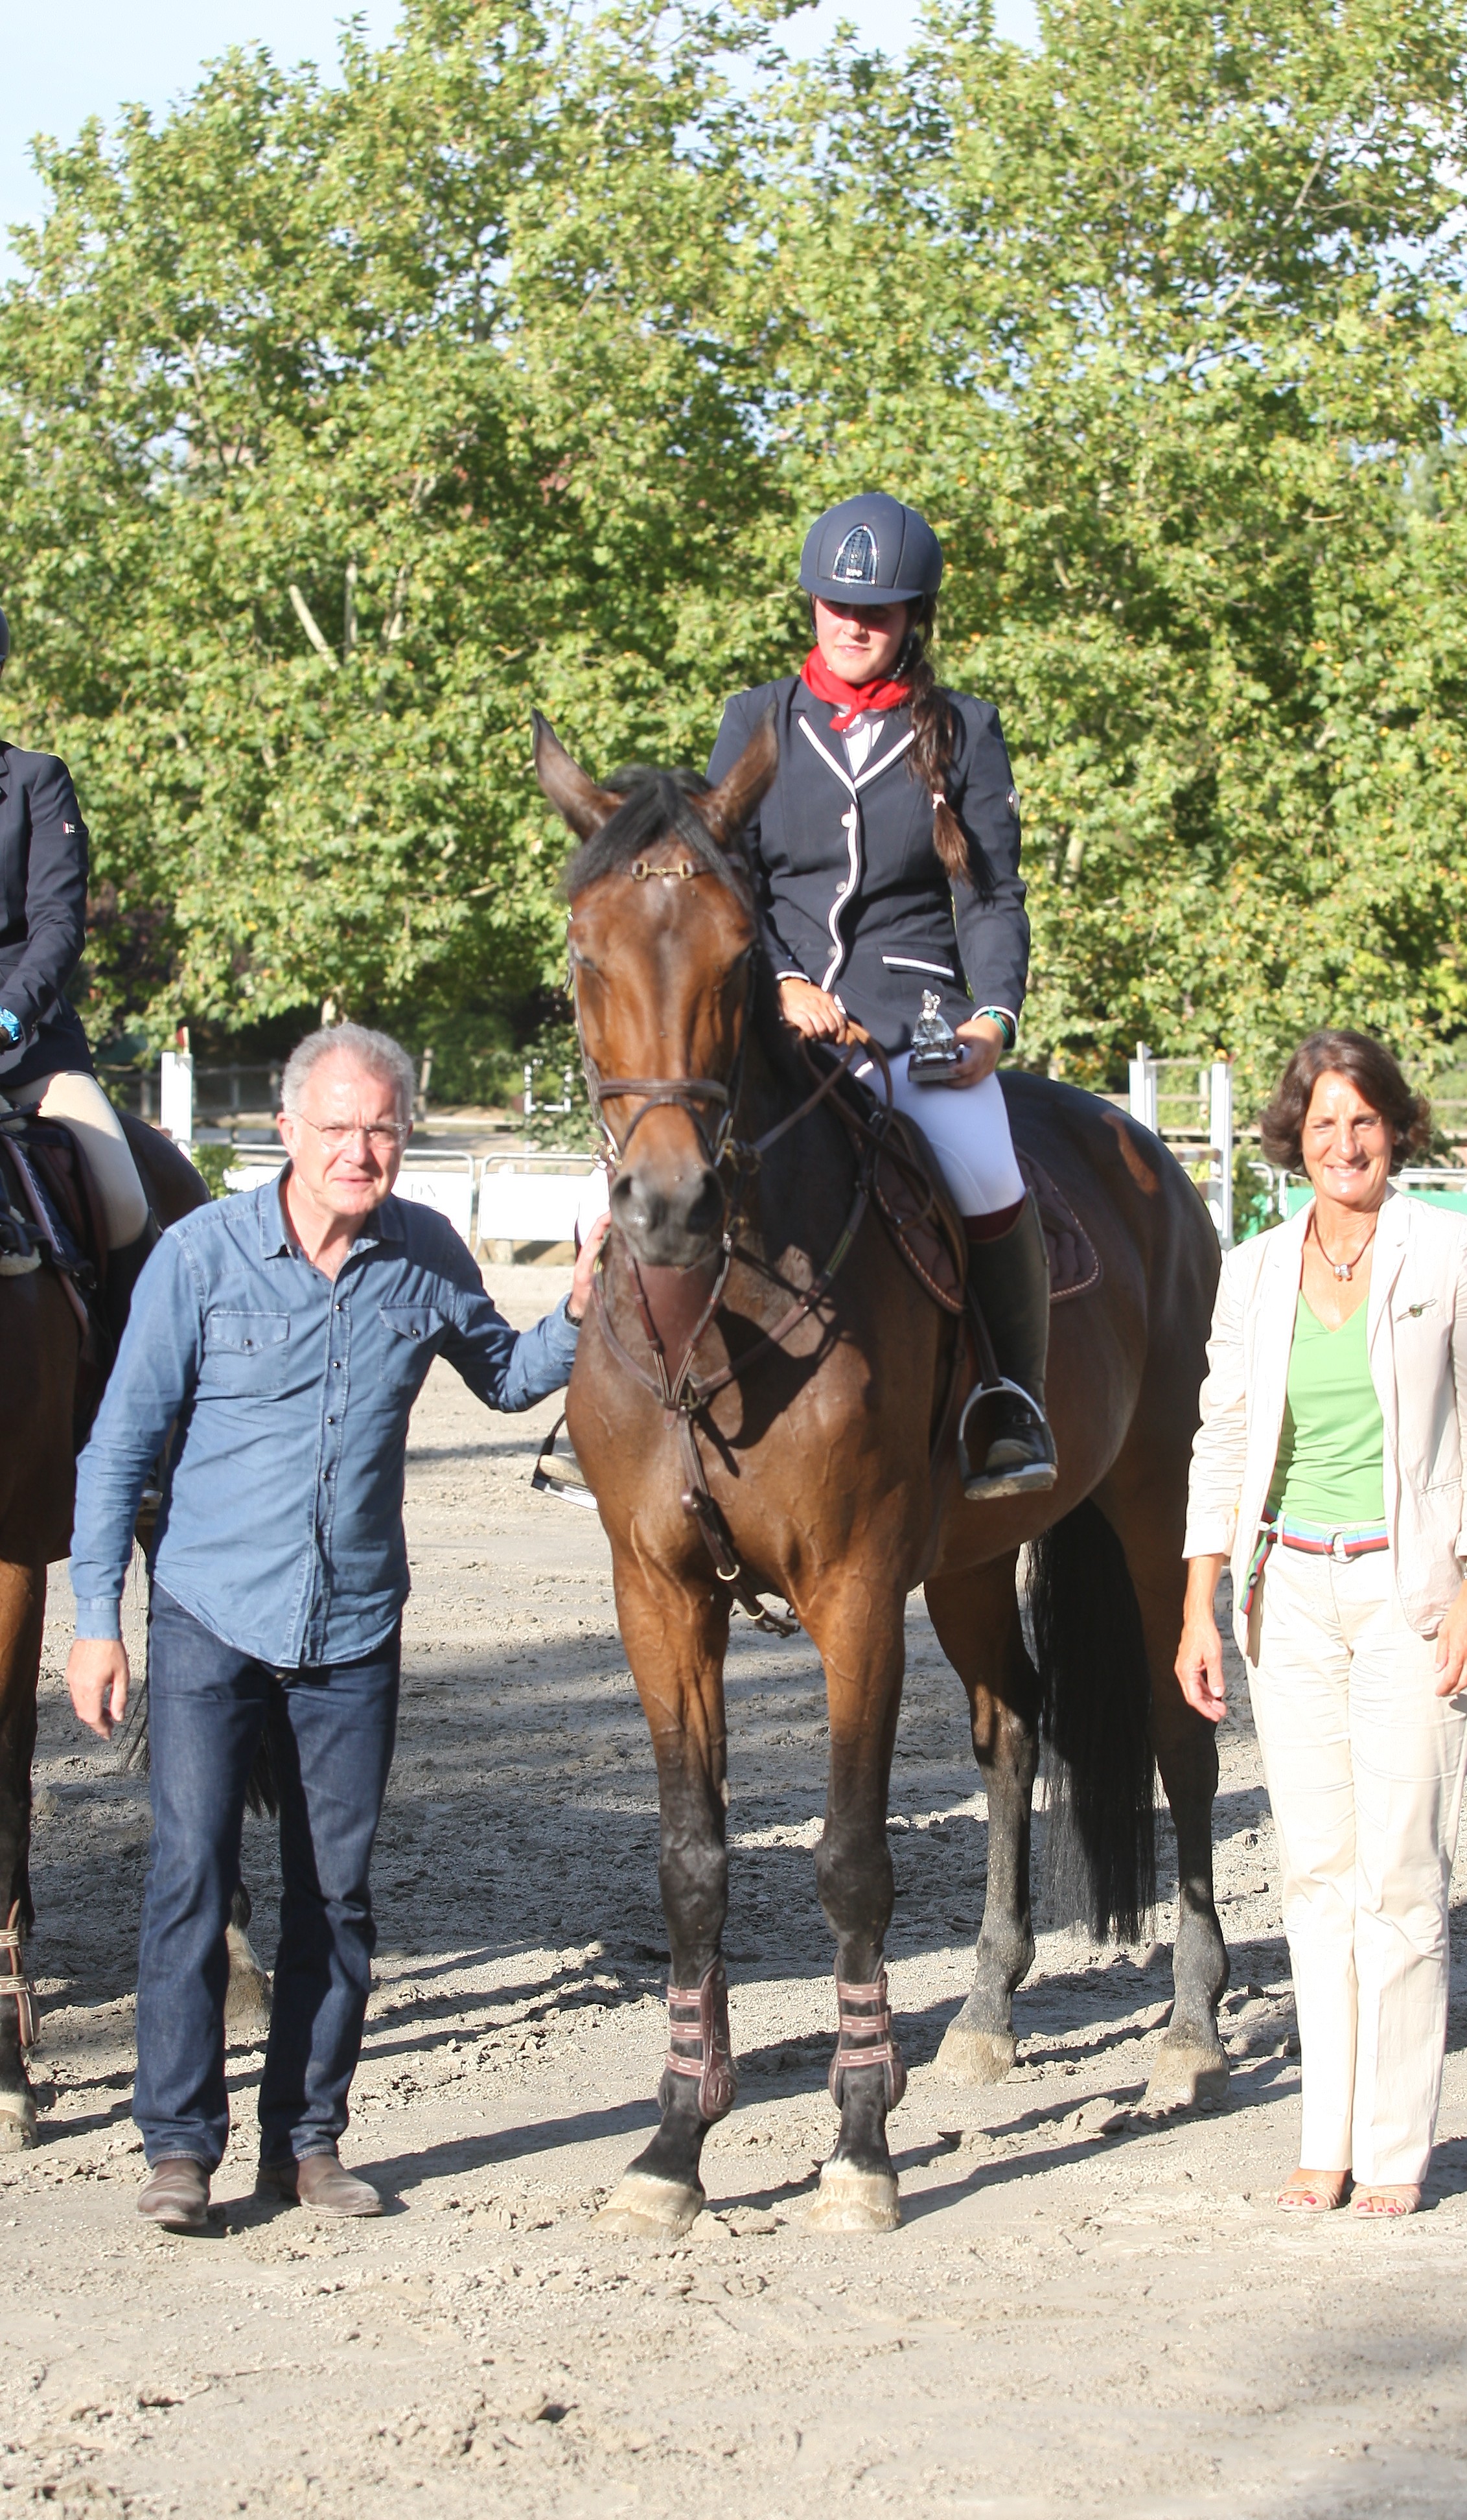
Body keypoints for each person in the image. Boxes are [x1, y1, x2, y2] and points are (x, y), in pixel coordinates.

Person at [65, 1023, 608, 2233]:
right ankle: (178, 2147)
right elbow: (118, 1450)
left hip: (354, 1624)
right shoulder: (200, 1256)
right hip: (210, 1614)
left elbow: (508, 1378)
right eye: (339, 1127)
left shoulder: (426, 1254)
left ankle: (307, 2142)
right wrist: (96, 1619)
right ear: (288, 1133)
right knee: (191, 1878)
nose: (360, 1150)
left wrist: (576, 1306)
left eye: (383, 1129)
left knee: (338, 1896)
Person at [1174, 1030, 1467, 2219]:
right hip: (1287, 1599)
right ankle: (1322, 2136)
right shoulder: (1256, 1268)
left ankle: (1393, 2149)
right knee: (1316, 1872)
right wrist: (1201, 1600)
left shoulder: (1452, 1252)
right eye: (1322, 1122)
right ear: (1294, 1137)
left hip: (1408, 1599)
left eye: (1363, 1119)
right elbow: (1223, 1437)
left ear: (1395, 1130)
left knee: (1402, 1873)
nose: (1344, 1142)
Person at [706, 491, 1053, 1499]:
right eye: (837, 606)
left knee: (987, 1174)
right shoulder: (756, 719)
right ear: (812, 605)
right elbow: (726, 880)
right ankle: (607, 1392)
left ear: (913, 620)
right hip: (774, 1019)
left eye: (879, 612)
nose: (854, 626)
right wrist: (781, 979)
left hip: (914, 1023)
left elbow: (991, 896)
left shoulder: (966, 729)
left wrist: (993, 1018)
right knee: (647, 1167)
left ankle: (1010, 1401)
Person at [0, 605, 154, 1325]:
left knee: (122, 1197)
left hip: (24, 1043)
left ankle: (137, 1371)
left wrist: (10, 1014)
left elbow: (59, 925)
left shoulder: (36, 780)